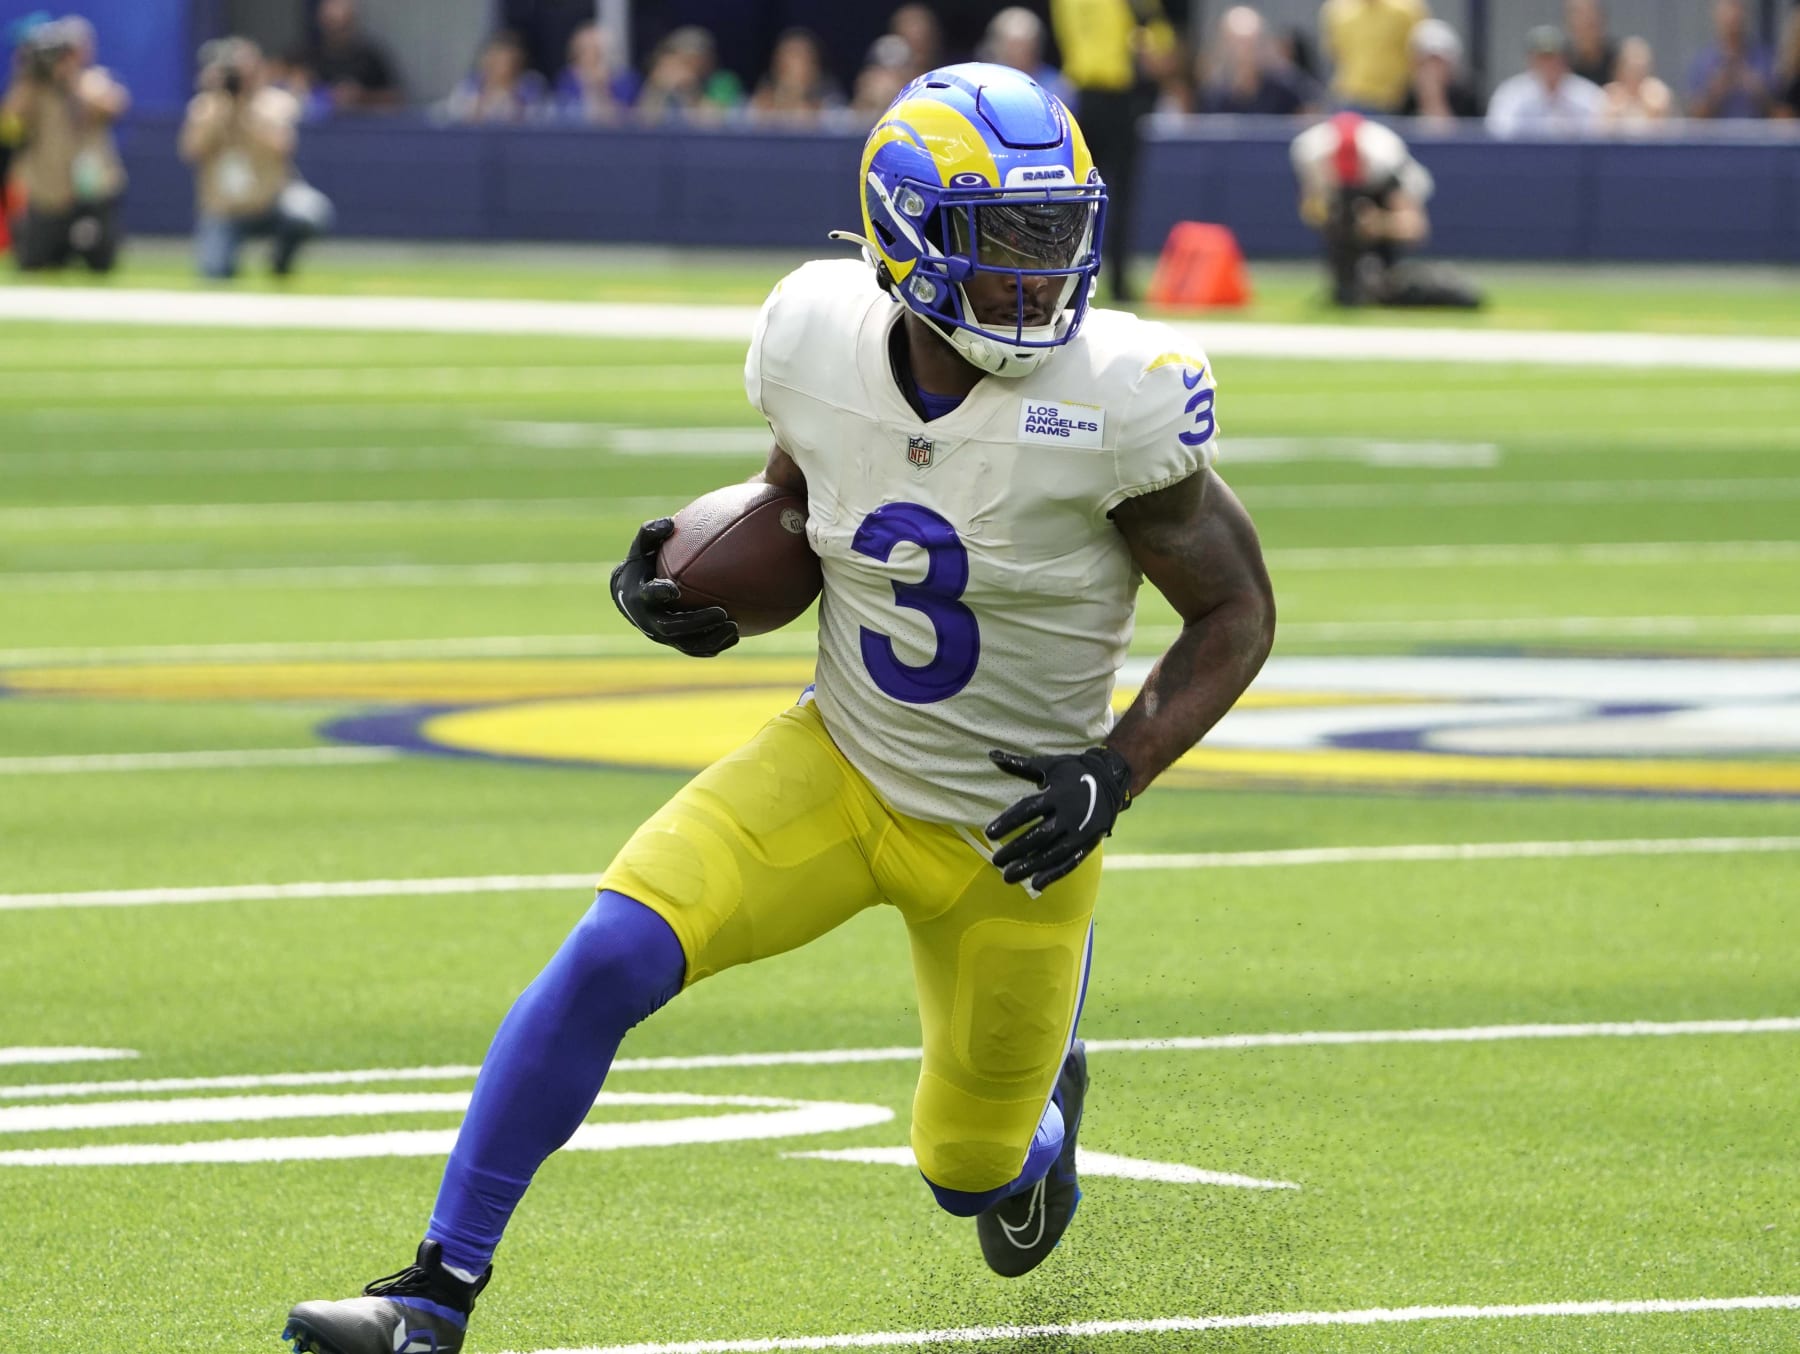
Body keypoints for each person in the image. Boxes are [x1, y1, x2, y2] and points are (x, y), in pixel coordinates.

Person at [280, 61, 1275, 1354]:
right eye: (1007, 242)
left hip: (1014, 835)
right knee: (610, 953)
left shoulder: (1118, 396)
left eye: (1057, 237)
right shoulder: (817, 335)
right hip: (841, 756)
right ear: (908, 239)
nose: (1043, 275)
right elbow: (798, 510)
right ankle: (430, 1294)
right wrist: (689, 582)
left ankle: (1042, 1117)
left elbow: (1235, 611)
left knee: (969, 1169)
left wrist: (1117, 767)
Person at [1050, 0, 1181, 301]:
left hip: (1100, 95)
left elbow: (1160, 45)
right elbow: (1159, 47)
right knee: (1098, 195)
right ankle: (1097, 280)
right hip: (1104, 94)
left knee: (1091, 194)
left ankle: (1083, 279)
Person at [1291, 110, 1481, 308]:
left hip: (1380, 225)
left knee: (1388, 283)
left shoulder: (1389, 159)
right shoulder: (1309, 153)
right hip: (1341, 221)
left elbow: (1415, 229)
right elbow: (1310, 209)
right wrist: (1334, 218)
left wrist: (1377, 223)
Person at [179, 38, 334, 280]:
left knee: (310, 212)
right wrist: (221, 105)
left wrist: (245, 112)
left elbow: (283, 146)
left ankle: (280, 260)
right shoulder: (207, 107)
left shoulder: (274, 103)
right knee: (215, 272)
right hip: (225, 210)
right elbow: (191, 151)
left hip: (270, 204)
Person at [0, 15, 128, 273]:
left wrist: (68, 79)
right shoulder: (33, 90)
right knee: (34, 261)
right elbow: (9, 127)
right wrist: (26, 74)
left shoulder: (91, 80)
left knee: (100, 259)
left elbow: (114, 106)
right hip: (48, 190)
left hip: (89, 189)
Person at [1198, 5, 1321, 116]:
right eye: (1239, 43)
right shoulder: (1214, 93)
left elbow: (1313, 114)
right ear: (1224, 44)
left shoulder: (1288, 83)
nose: (1246, 51)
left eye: (1252, 42)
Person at [1485, 25, 1605, 138]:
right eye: (1542, 58)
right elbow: (1498, 135)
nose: (1549, 65)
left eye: (1554, 58)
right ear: (1530, 61)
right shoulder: (1511, 94)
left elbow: (1602, 133)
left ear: (1566, 60)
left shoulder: (1587, 94)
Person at [1319, 0, 1429, 114]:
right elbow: (1336, 55)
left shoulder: (1408, 8)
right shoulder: (1338, 11)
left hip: (1392, 103)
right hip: (1347, 99)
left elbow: (1419, 58)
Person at [302, 0, 400, 112]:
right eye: (331, 24)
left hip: (360, 126)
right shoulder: (307, 56)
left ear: (352, 22)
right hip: (317, 127)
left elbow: (395, 99)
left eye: (342, 26)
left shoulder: (369, 57)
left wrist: (361, 97)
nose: (336, 31)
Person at [634, 25, 742, 124]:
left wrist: (690, 89)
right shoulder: (652, 82)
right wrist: (657, 87)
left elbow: (710, 122)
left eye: (695, 58)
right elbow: (644, 121)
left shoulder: (722, 82)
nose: (691, 65)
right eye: (683, 59)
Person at [1686, 0, 1776, 119]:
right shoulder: (1702, 62)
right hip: (1714, 137)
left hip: (1758, 136)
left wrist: (1755, 88)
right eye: (1727, 12)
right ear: (1716, 16)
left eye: (1737, 10)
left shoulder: (1765, 59)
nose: (1733, 18)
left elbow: (1781, 114)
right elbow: (1693, 117)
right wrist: (1715, 91)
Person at [438, 30, 547, 124]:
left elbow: (537, 118)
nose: (500, 65)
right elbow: (452, 116)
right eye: (495, 59)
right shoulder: (469, 85)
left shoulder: (530, 84)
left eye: (506, 60)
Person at [982, 7, 1075, 110]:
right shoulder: (983, 84)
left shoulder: (1058, 86)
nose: (1018, 51)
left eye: (1024, 45)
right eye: (1013, 45)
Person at [748, 27, 844, 126]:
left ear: (815, 65)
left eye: (802, 58)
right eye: (787, 59)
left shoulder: (831, 100)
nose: (795, 67)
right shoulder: (762, 98)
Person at [553, 22, 639, 124]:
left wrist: (600, 86)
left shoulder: (624, 80)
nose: (590, 57)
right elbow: (564, 116)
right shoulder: (567, 79)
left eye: (596, 51)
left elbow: (624, 119)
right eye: (584, 51)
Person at [1397, 18, 1481, 122]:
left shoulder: (1466, 97)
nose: (1431, 70)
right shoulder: (1405, 97)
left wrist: (1434, 98)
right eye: (1425, 62)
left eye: (1438, 62)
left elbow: (1458, 136)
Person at [1602, 35, 1673, 129]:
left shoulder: (1657, 92)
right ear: (1620, 68)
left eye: (1640, 68)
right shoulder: (1610, 94)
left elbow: (1663, 128)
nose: (1635, 73)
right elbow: (1603, 130)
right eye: (1630, 67)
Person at [1564, 0, 1618, 88]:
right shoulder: (1562, 63)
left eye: (1590, 15)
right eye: (1577, 14)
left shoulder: (1618, 60)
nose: (1585, 20)